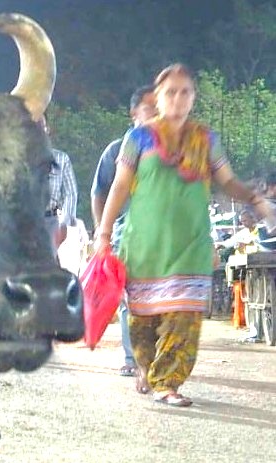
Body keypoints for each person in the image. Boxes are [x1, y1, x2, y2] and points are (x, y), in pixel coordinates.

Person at [94, 64, 274, 406]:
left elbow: (228, 182)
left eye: (185, 92)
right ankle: (147, 367)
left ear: (193, 97)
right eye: (170, 92)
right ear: (158, 98)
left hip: (190, 245)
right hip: (145, 247)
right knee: (143, 322)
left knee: (184, 319)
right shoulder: (138, 139)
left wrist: (254, 197)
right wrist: (103, 233)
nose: (178, 98)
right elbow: (118, 187)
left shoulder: (206, 139)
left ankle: (168, 383)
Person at [91, 85, 159, 378]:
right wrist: (101, 233)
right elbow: (99, 193)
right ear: (134, 113)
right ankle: (133, 358)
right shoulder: (116, 150)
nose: (157, 113)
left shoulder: (172, 150)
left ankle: (157, 359)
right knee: (132, 297)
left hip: (165, 235)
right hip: (126, 233)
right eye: (150, 108)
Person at [42, 117, 78, 248]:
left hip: (50, 220)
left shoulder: (61, 159)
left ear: (47, 129)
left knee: (48, 263)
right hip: (25, 222)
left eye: (42, 125)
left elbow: (71, 193)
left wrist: (64, 223)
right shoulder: (19, 159)